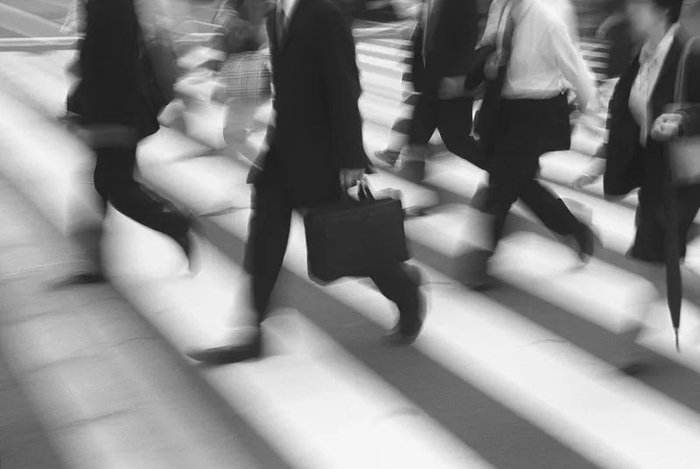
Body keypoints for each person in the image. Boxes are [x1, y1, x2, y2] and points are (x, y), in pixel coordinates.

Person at [187, 0, 426, 365]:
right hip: (282, 152)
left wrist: (350, 158)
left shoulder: (323, 15)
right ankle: (251, 332)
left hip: (320, 156)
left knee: (352, 238)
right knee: (265, 240)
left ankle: (405, 292)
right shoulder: (276, 17)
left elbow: (345, 87)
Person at [573, 0, 700, 374]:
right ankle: (628, 347)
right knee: (656, 260)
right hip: (655, 172)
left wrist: (682, 120)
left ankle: (627, 346)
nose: (630, 11)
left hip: (684, 176)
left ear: (661, 11)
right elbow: (625, 115)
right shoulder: (643, 53)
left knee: (655, 258)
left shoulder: (689, 52)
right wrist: (602, 159)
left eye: (638, 5)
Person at [447, 0, 600, 288]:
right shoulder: (501, 7)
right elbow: (488, 46)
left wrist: (589, 110)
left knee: (502, 187)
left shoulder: (547, 19)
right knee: (519, 183)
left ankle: (479, 263)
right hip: (503, 109)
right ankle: (575, 228)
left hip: (536, 112)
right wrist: (487, 67)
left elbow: (576, 68)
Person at [66, 0, 197, 282]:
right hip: (114, 109)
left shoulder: (111, 6)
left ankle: (177, 223)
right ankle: (96, 263)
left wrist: (81, 107)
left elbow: (106, 61)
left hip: (113, 112)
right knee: (106, 184)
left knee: (117, 187)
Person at [375, 0, 485, 182]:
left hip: (450, 84)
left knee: (457, 141)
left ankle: (508, 172)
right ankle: (413, 177)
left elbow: (469, 40)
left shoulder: (463, 3)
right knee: (417, 134)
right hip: (430, 82)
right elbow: (426, 32)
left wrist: (462, 82)